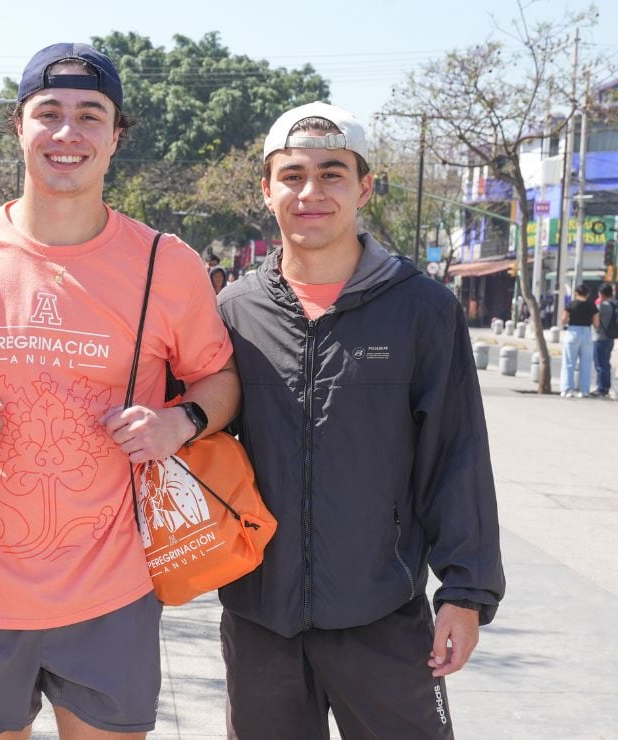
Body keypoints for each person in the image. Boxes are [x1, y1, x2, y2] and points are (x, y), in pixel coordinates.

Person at [0, 42, 241, 740]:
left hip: (113, 589)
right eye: (47, 113)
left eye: (90, 115)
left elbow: (220, 377)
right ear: (17, 126)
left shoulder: (163, 263)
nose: (67, 133)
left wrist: (182, 422)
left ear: (117, 136)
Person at [216, 102, 505, 738]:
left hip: (384, 611)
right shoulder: (233, 310)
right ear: (267, 190)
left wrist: (465, 592)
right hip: (259, 615)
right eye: (291, 175)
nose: (310, 192)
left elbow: (457, 452)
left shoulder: (422, 308)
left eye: (332, 173)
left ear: (364, 187)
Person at [561, 283, 598, 398]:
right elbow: (596, 323)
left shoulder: (571, 305)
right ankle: (584, 390)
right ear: (587, 294)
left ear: (576, 293)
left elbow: (563, 320)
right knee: (586, 363)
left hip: (573, 331)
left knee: (569, 362)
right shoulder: (592, 306)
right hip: (587, 332)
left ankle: (567, 390)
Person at [590, 284, 615, 397]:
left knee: (600, 364)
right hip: (610, 338)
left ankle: (601, 388)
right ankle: (606, 386)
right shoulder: (614, 306)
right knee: (606, 364)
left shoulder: (601, 307)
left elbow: (594, 321)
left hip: (599, 337)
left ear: (601, 294)